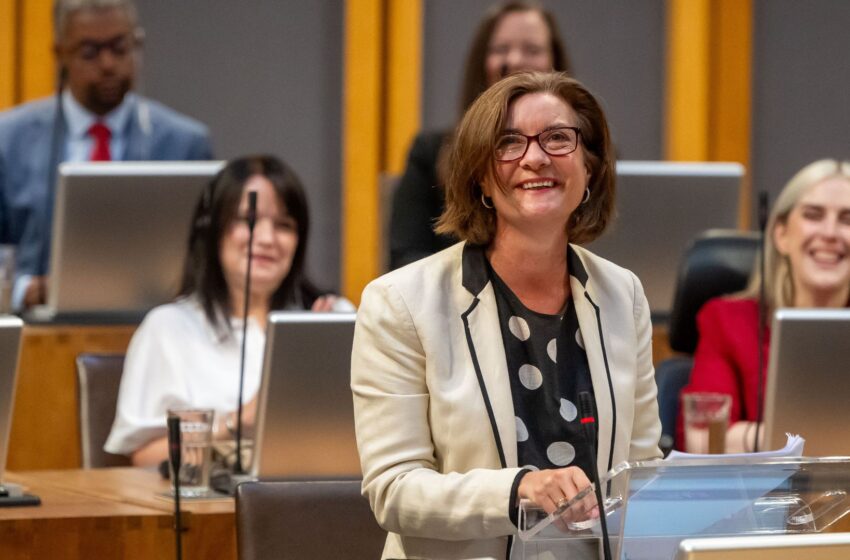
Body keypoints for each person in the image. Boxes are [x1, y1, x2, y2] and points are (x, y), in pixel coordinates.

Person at [352, 72, 661, 559]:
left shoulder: (624, 296)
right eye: (508, 143)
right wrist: (518, 489)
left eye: (559, 138)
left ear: (591, 167)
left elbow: (641, 471)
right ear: (480, 178)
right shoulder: (401, 302)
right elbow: (395, 490)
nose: (535, 157)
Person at [105, 155, 353, 466]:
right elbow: (144, 457)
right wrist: (239, 423)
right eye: (248, 221)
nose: (266, 239)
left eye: (284, 225)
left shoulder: (334, 316)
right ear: (211, 229)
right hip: (212, 508)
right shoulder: (168, 328)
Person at [0, 0, 213, 310]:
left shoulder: (184, 144)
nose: (108, 64)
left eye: (120, 48)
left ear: (137, 43)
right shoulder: (9, 141)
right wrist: (23, 290)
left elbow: (206, 260)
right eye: (90, 52)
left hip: (151, 326)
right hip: (36, 332)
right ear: (60, 53)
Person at [681, 159, 850, 453]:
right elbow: (705, 439)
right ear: (781, 234)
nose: (831, 233)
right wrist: (818, 440)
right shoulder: (726, 320)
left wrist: (760, 437)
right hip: (766, 495)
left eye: (847, 219)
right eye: (813, 215)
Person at [388, 1, 571, 269]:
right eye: (501, 49)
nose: (515, 60)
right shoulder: (430, 153)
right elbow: (406, 257)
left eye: (532, 49)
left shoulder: (586, 153)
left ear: (556, 63)